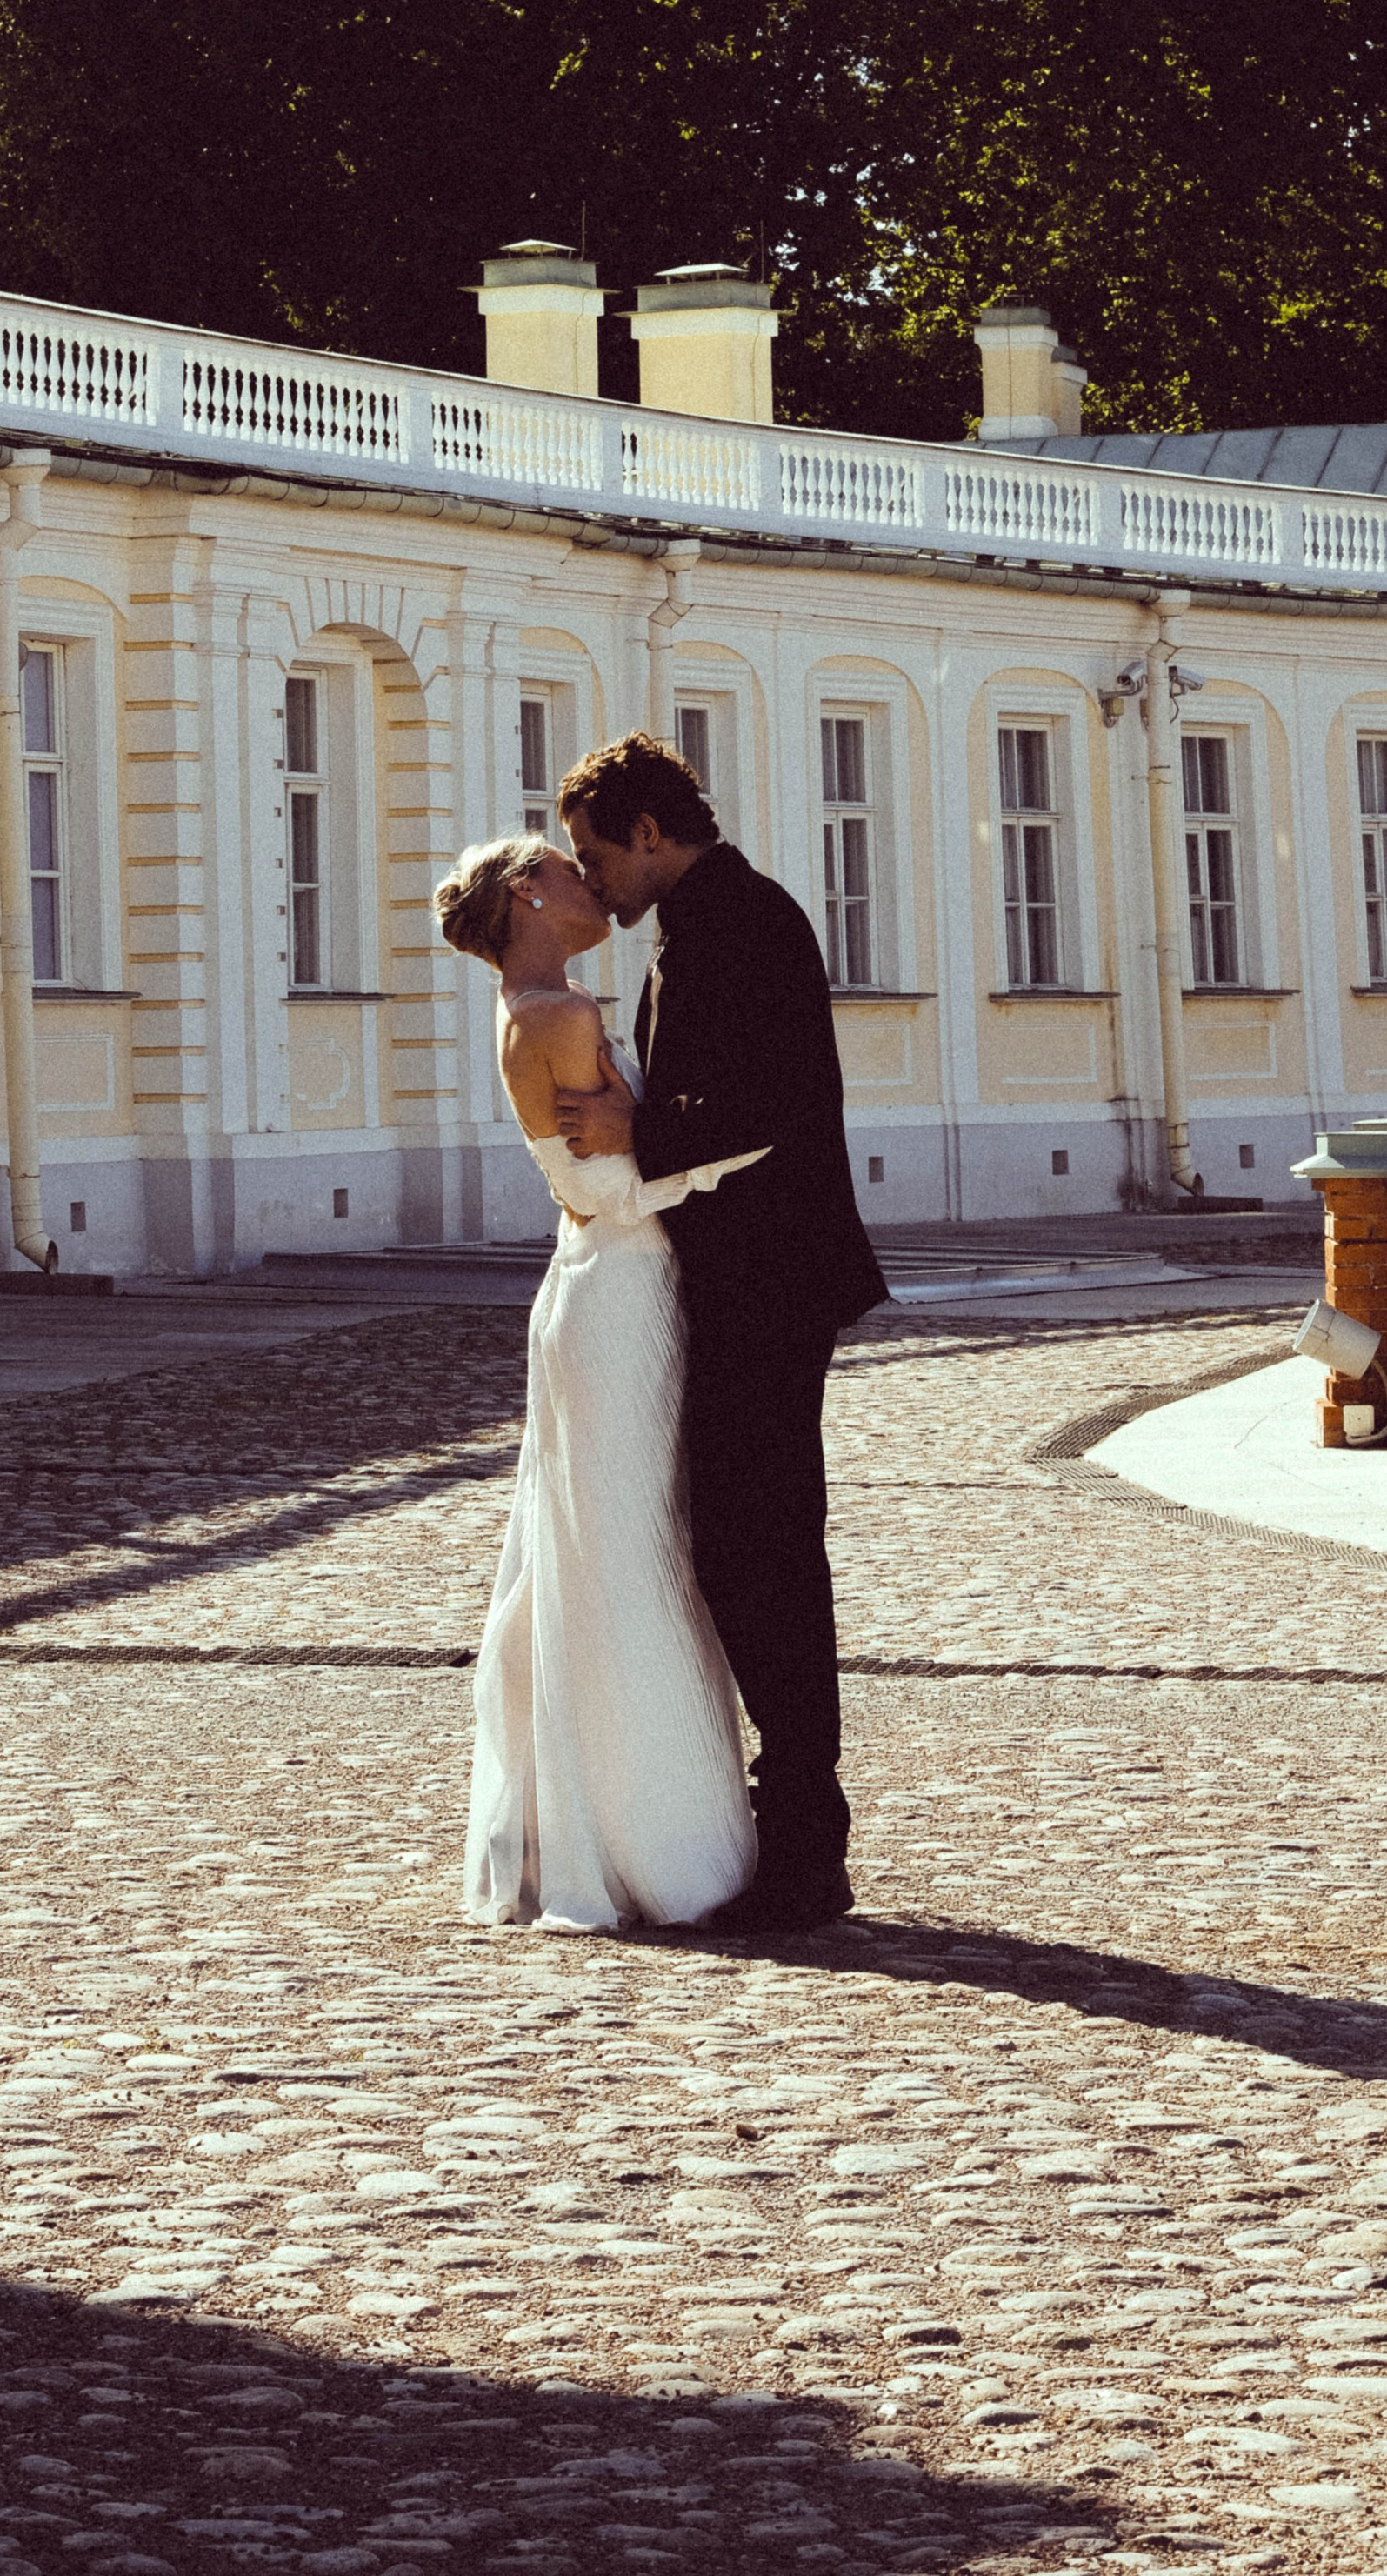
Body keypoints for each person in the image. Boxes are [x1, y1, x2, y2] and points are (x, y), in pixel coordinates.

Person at [554, 731, 887, 1932]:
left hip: (772, 1276)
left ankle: (806, 1837)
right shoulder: (701, 925)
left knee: (766, 1555)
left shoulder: (745, 921)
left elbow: (756, 1107)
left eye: (597, 857)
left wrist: (625, 1129)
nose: (590, 883)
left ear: (652, 833)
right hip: (742, 1275)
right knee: (745, 1551)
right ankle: (790, 1823)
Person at [432, 832, 767, 1932]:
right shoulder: (560, 1017)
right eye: (567, 869)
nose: (590, 882)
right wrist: (752, 1145)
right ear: (531, 893)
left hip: (599, 1291)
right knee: (628, 1558)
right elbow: (610, 1194)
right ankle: (653, 1846)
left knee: (597, 1554)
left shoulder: (539, 1007)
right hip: (619, 1294)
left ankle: (601, 1823)